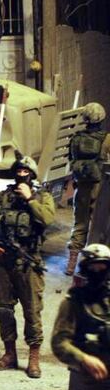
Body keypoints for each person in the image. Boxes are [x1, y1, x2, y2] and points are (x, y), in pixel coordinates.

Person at [0, 153, 55, 378]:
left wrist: (30, 199)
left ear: (32, 175)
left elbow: (47, 219)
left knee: (32, 312)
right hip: (5, 263)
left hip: (29, 264)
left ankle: (34, 358)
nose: (21, 175)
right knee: (4, 310)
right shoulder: (3, 197)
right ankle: (9, 354)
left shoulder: (42, 197)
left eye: (25, 171)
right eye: (19, 171)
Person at [52, 243, 110, 390]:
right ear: (85, 269)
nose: (98, 272)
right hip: (98, 376)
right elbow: (59, 343)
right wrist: (84, 359)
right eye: (93, 267)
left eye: (102, 267)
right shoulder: (74, 302)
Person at [66, 102, 110, 275]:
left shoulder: (76, 139)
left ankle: (71, 264)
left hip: (82, 186)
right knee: (100, 226)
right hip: (102, 187)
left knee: (80, 223)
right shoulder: (107, 139)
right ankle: (98, 263)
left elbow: (71, 160)